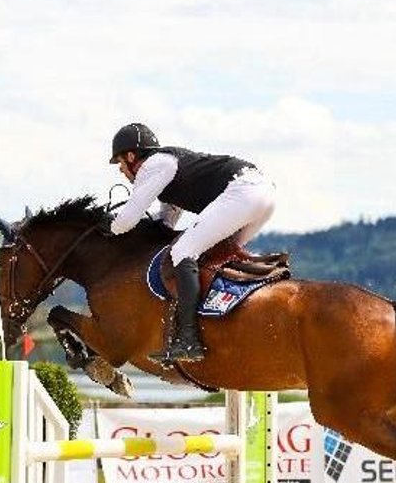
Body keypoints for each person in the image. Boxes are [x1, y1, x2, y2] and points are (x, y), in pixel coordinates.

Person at [108, 122, 276, 366]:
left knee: (183, 251)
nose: (121, 170)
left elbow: (126, 221)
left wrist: (105, 227)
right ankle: (223, 321)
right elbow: (167, 219)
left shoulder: (154, 165)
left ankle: (188, 340)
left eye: (120, 163)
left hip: (243, 192)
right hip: (263, 194)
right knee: (214, 257)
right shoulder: (166, 166)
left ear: (131, 156)